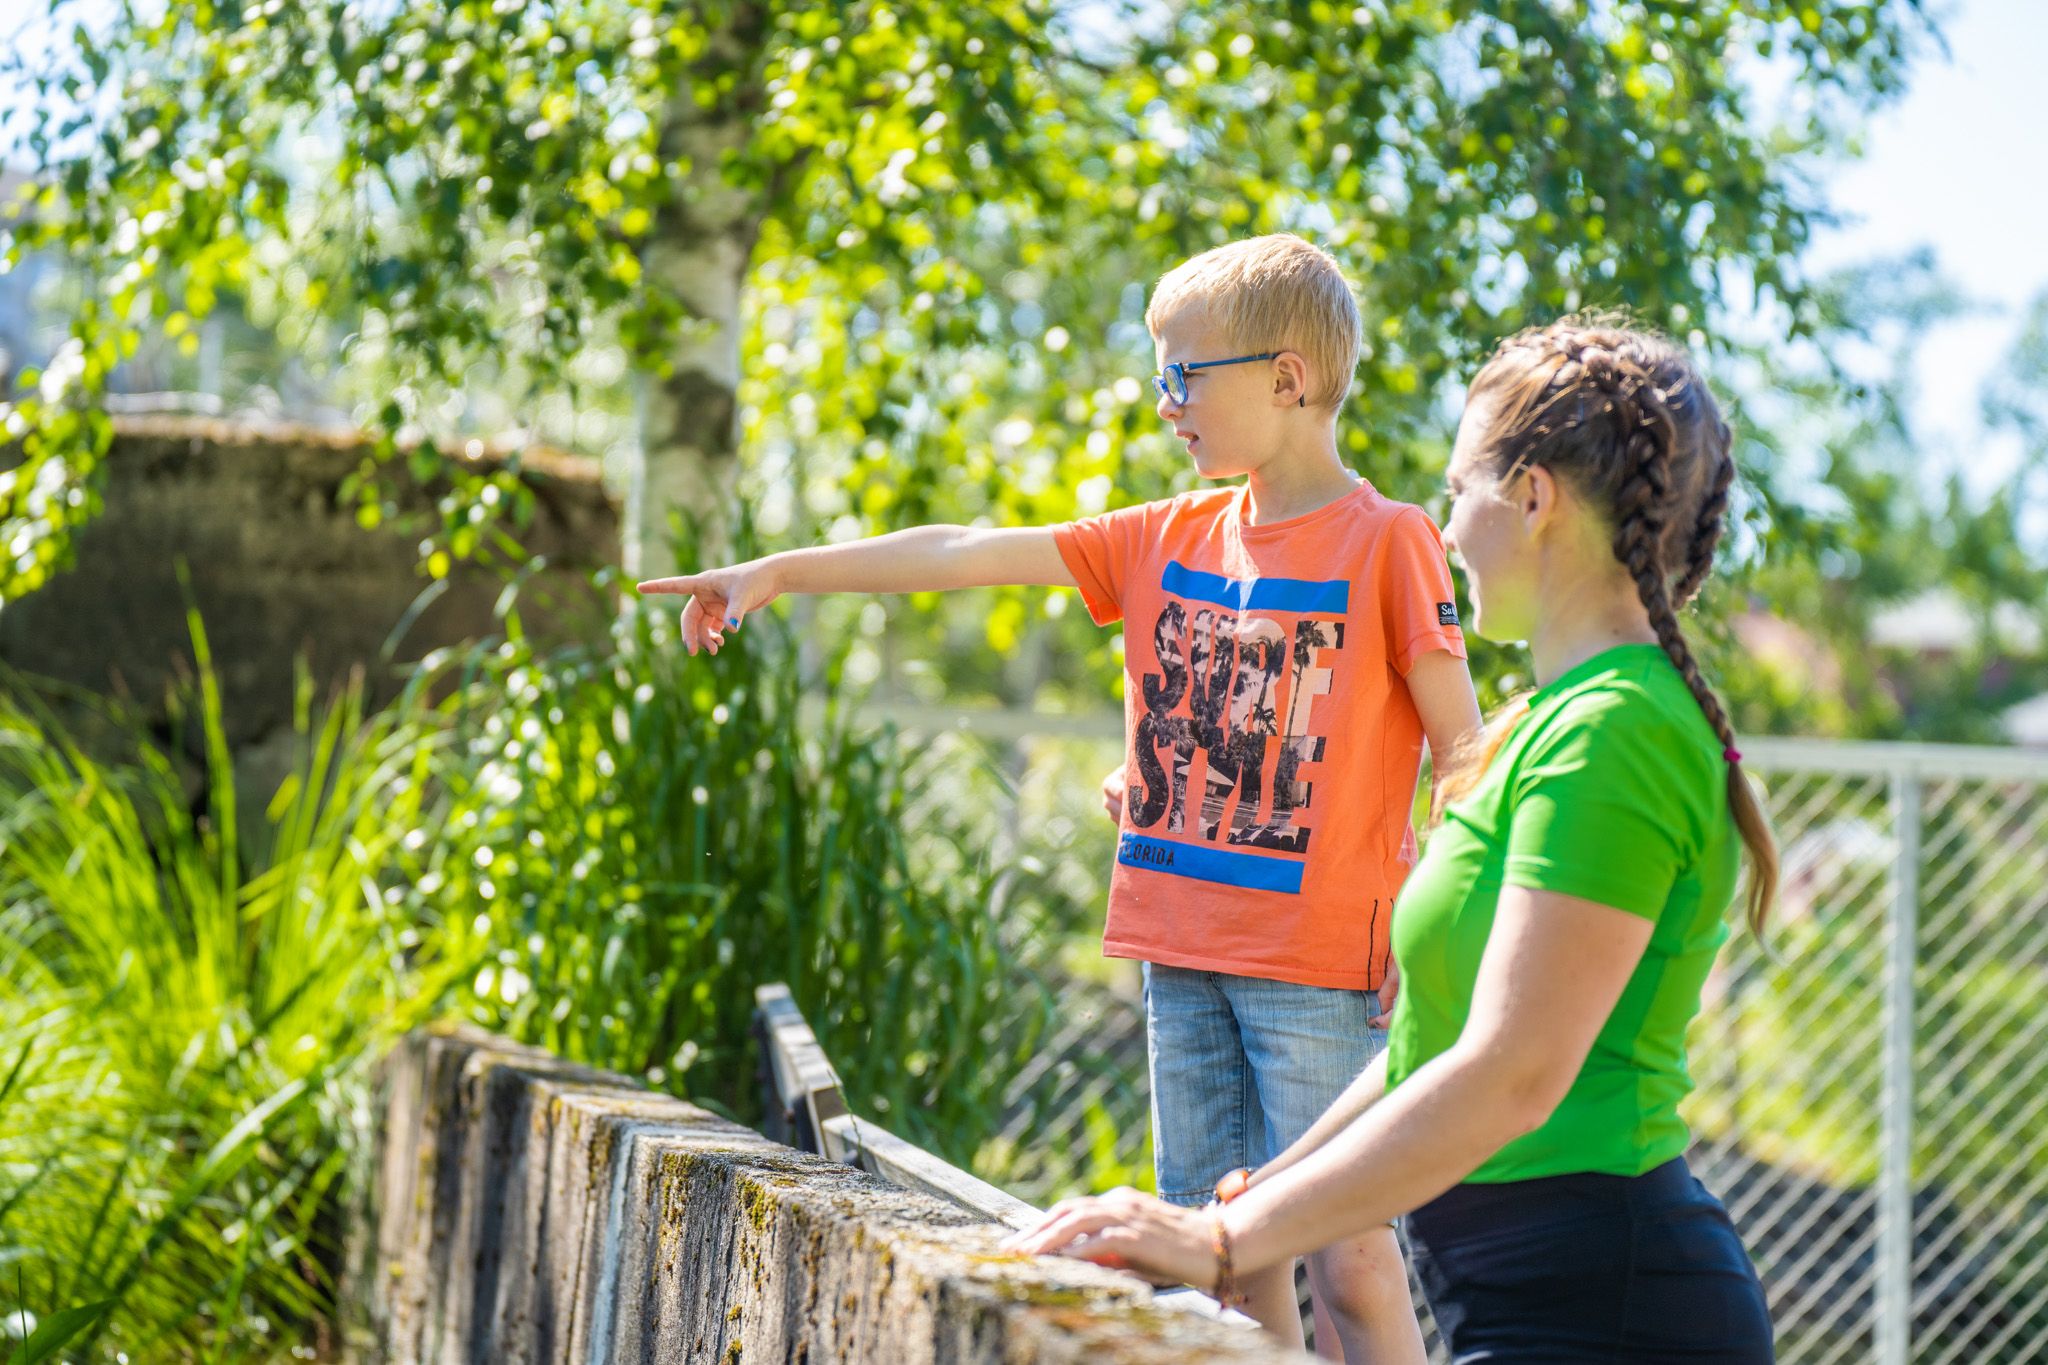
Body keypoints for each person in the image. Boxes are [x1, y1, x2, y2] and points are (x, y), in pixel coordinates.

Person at [638, 233, 1480, 1361]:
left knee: (1352, 1267)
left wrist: (1429, 908)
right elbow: (964, 550)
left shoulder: (1388, 543)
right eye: (1157, 377)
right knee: (1222, 1272)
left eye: (1185, 376)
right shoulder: (1162, 535)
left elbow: (1461, 751)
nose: (1165, 404)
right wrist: (778, 572)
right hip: (1177, 957)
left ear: (1285, 379)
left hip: (1319, 973)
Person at [1003, 316, 1782, 1365]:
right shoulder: (1550, 723)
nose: (1446, 526)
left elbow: (1510, 1074)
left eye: (1460, 488)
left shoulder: (1619, 733)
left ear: (1534, 497)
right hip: (1513, 1295)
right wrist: (1242, 1211)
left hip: (1605, 1310)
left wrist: (1226, 1239)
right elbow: (1427, 1043)